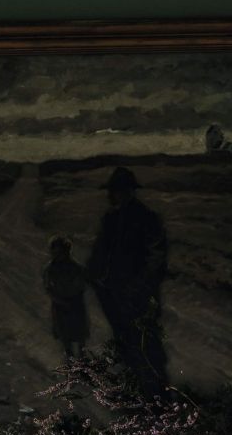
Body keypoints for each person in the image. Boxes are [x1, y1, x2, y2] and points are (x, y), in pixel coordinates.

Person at [85, 166, 169, 389]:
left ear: (129, 191)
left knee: (145, 341)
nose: (113, 195)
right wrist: (96, 278)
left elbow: (157, 256)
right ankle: (137, 388)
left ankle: (157, 392)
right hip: (115, 291)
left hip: (138, 293)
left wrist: (141, 286)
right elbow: (100, 252)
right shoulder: (111, 218)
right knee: (125, 339)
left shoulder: (147, 218)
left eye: (118, 190)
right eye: (114, 190)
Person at [42, 237, 89, 360]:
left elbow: (81, 286)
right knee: (66, 341)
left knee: (80, 340)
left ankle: (83, 367)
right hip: (60, 307)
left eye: (60, 252)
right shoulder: (50, 269)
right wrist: (59, 300)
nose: (56, 256)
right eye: (54, 252)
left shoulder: (76, 268)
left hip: (75, 305)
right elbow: (48, 288)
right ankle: (71, 369)